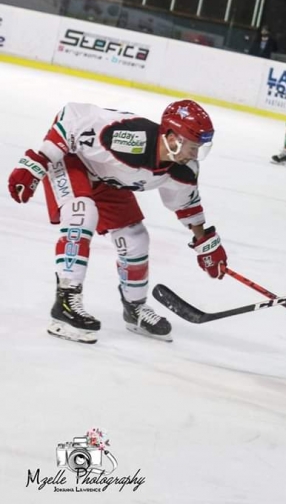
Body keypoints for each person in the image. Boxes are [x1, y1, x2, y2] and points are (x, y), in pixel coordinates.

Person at [6, 100, 227, 344]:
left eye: (199, 149)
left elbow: (186, 205)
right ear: (173, 138)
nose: (195, 155)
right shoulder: (130, 138)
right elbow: (71, 122)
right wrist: (36, 163)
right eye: (193, 147)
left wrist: (205, 244)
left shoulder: (184, 169)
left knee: (135, 238)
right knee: (81, 214)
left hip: (105, 175)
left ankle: (134, 308)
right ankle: (65, 304)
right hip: (72, 159)